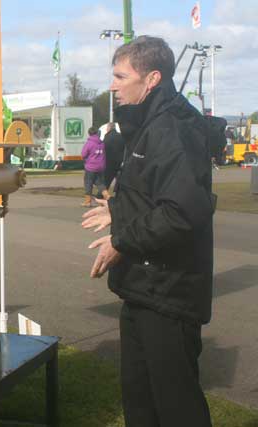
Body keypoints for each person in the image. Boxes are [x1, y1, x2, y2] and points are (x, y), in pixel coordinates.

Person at [80, 36, 214, 427]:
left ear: (152, 78)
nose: (113, 84)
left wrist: (122, 240)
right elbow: (153, 196)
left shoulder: (173, 127)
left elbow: (182, 212)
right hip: (142, 287)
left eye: (121, 76)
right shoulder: (148, 123)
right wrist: (118, 209)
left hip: (169, 294)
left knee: (176, 408)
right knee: (140, 405)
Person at [80, 126, 108, 207]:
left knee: (88, 183)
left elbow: (83, 154)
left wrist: (86, 160)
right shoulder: (102, 143)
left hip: (91, 167)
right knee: (99, 182)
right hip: (101, 166)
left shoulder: (89, 143)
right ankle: (107, 196)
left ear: (89, 133)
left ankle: (88, 201)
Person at [102, 122, 125, 190]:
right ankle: (118, 192)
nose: (106, 129)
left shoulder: (107, 137)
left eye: (107, 128)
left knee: (107, 180)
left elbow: (104, 149)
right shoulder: (121, 136)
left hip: (108, 162)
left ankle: (101, 195)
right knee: (119, 179)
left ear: (109, 128)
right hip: (119, 161)